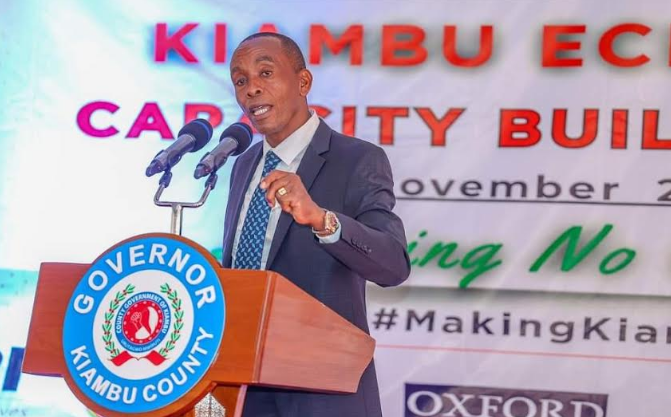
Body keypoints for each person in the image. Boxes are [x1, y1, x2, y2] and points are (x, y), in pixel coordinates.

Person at [221, 32, 411, 417]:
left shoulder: (357, 159)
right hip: (244, 388)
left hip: (321, 391)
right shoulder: (243, 164)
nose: (251, 88)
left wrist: (322, 220)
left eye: (265, 73)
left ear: (303, 82)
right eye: (240, 80)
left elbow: (393, 265)